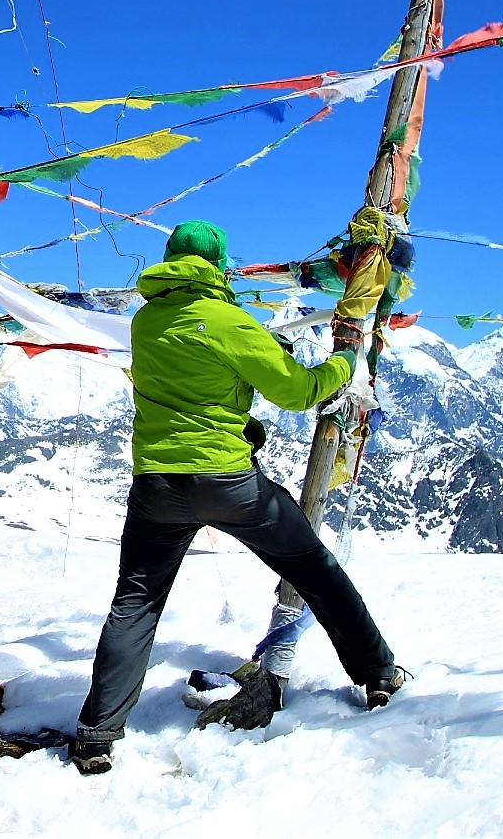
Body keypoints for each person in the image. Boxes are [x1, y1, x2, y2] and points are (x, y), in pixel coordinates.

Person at [67, 220, 403, 776]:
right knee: (313, 567)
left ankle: (97, 735)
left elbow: (189, 389)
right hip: (228, 483)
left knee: (136, 603)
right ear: (219, 263)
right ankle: (377, 673)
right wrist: (345, 361)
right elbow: (297, 391)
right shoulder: (229, 321)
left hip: (156, 484)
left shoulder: (146, 321)